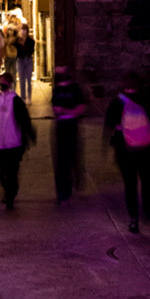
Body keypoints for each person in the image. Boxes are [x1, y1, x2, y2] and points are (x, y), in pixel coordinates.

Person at [102, 75, 150, 234]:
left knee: (130, 184)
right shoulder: (148, 100)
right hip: (147, 149)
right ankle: (147, 211)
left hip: (125, 151)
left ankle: (134, 219)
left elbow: (109, 124)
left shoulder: (117, 102)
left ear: (124, 86)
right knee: (147, 180)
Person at [0, 72, 36, 211]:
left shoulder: (16, 100)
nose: (1, 84)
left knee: (12, 172)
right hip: (0, 143)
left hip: (13, 143)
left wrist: (29, 135)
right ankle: (8, 191)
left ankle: (10, 195)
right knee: (2, 172)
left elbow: (24, 119)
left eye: (4, 82)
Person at [49, 65, 88, 202]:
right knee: (62, 159)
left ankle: (71, 185)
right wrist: (67, 111)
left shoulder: (75, 89)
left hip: (71, 126)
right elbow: (55, 108)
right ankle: (62, 190)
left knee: (71, 157)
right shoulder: (57, 89)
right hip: (61, 126)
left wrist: (65, 111)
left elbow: (80, 107)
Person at [11, 25, 36, 97]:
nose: (23, 31)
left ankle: (29, 96)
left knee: (29, 80)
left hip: (28, 60)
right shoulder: (18, 40)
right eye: (22, 29)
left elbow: (30, 52)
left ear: (27, 31)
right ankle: (23, 97)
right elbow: (12, 43)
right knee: (22, 80)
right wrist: (18, 37)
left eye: (24, 29)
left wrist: (23, 45)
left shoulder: (30, 41)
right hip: (20, 60)